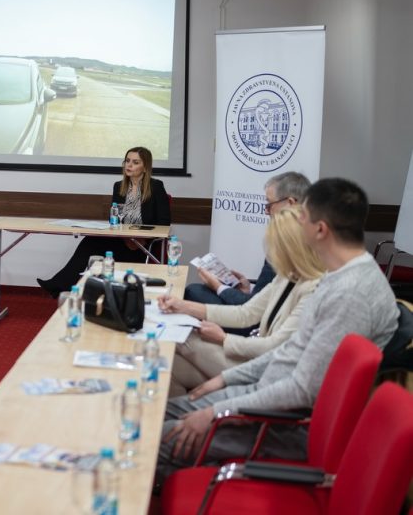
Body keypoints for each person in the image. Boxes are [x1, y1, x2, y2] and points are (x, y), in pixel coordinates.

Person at [157, 178, 398, 484]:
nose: (296, 224)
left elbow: (302, 390)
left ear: (320, 229)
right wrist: (226, 379)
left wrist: (216, 412)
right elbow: (289, 351)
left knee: (153, 439)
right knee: (158, 414)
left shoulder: (350, 294)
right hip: (263, 399)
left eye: (303, 217)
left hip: (282, 423)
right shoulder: (340, 277)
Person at [160, 205, 323, 395]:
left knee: (180, 338)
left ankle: (201, 408)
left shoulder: (313, 289)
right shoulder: (286, 277)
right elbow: (246, 313)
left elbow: (274, 347)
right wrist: (182, 306)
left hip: (263, 370)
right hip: (251, 357)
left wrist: (223, 338)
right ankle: (184, 411)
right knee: (166, 364)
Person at [37, 146, 170, 297]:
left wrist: (143, 239)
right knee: (90, 241)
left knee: (92, 246)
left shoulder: (156, 187)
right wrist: (124, 237)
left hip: (143, 247)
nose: (129, 165)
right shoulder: (119, 186)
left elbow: (164, 223)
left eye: (135, 162)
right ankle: (62, 285)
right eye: (127, 161)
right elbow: (114, 218)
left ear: (145, 167)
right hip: (122, 241)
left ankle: (61, 286)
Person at [182, 172, 311, 310]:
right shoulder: (307, 237)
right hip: (257, 306)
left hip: (258, 317)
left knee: (194, 291)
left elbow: (252, 309)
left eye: (269, 204)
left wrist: (218, 286)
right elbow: (266, 292)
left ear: (290, 203)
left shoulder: (288, 244)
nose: (266, 211)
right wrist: (248, 288)